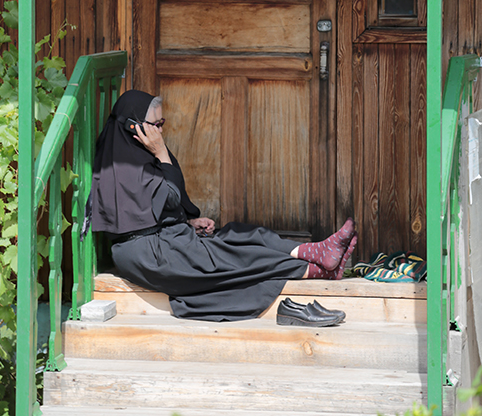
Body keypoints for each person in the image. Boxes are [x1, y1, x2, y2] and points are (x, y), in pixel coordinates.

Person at [90, 90, 357, 322]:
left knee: (239, 234)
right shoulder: (122, 164)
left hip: (162, 241)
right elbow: (164, 199)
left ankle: (317, 252)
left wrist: (187, 222)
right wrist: (161, 155)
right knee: (234, 256)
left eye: (162, 123)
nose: (160, 131)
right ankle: (318, 269)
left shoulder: (138, 153)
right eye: (155, 124)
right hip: (149, 255)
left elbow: (155, 207)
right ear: (133, 126)